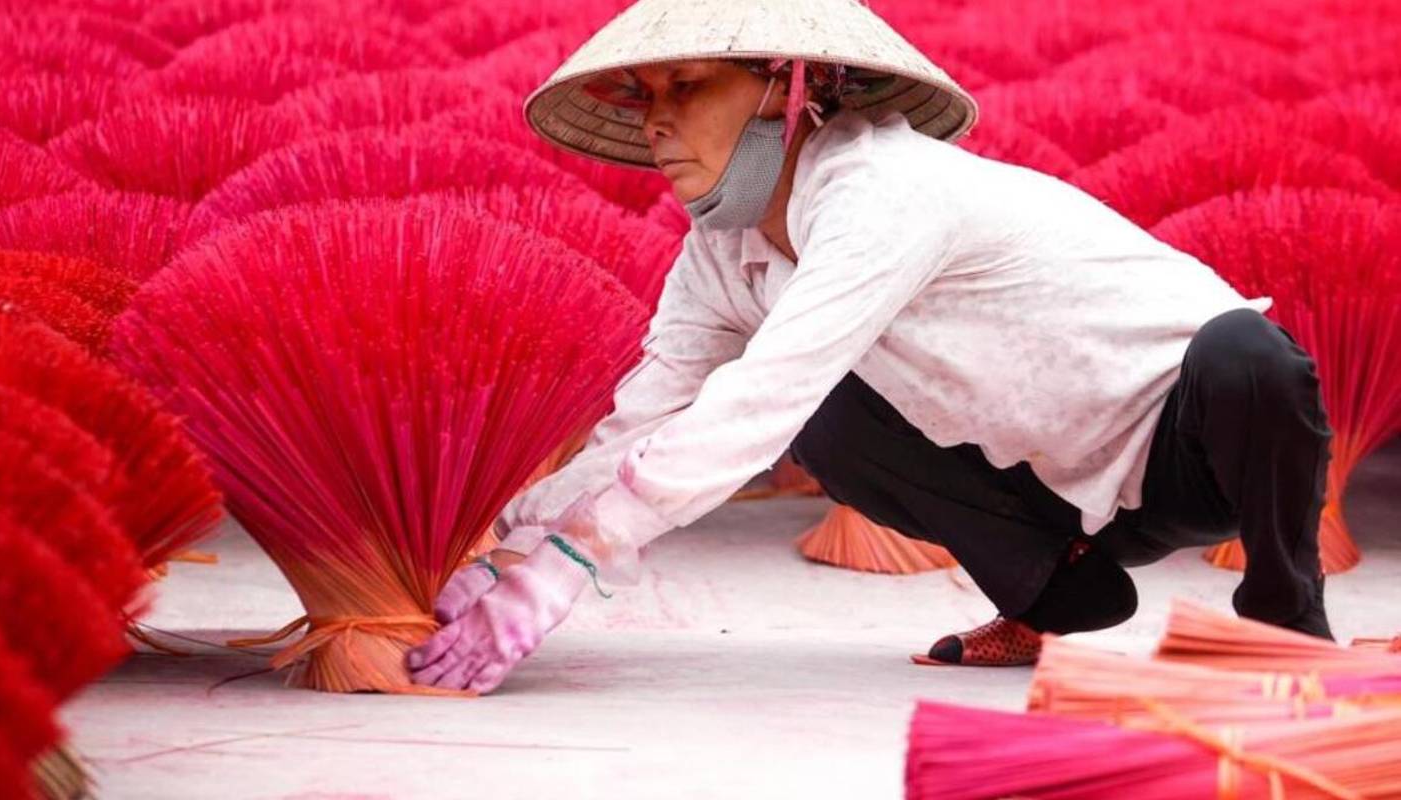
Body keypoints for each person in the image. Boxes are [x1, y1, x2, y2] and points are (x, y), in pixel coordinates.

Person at [406, 0, 1333, 693]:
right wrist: (512, 546)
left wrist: (581, 557)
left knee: (1254, 357)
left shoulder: (882, 190)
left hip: (1197, 447)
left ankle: (1290, 623)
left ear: (790, 88)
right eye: (647, 95)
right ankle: (1054, 597)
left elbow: (767, 389)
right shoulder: (720, 251)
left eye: (687, 88)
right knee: (834, 422)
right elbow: (649, 409)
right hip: (1064, 496)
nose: (656, 122)